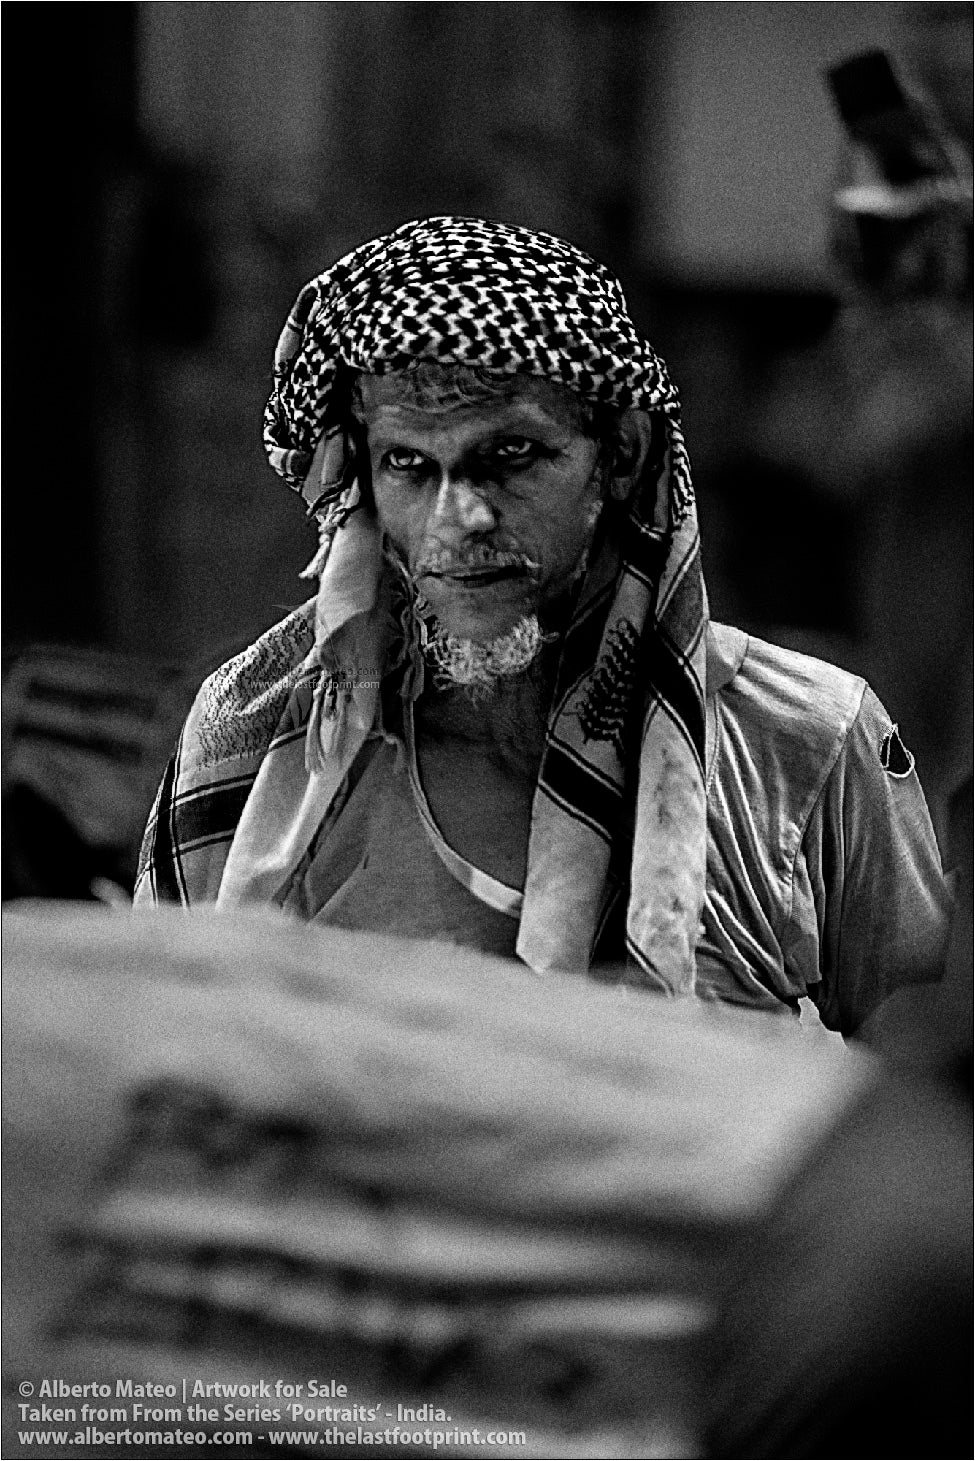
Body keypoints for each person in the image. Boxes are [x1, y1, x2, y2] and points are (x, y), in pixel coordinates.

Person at [134, 215, 948, 1036]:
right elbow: (151, 1059)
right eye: (410, 465)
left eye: (511, 454)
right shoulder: (252, 730)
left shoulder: (805, 740)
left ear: (620, 455)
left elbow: (936, 1092)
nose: (462, 517)